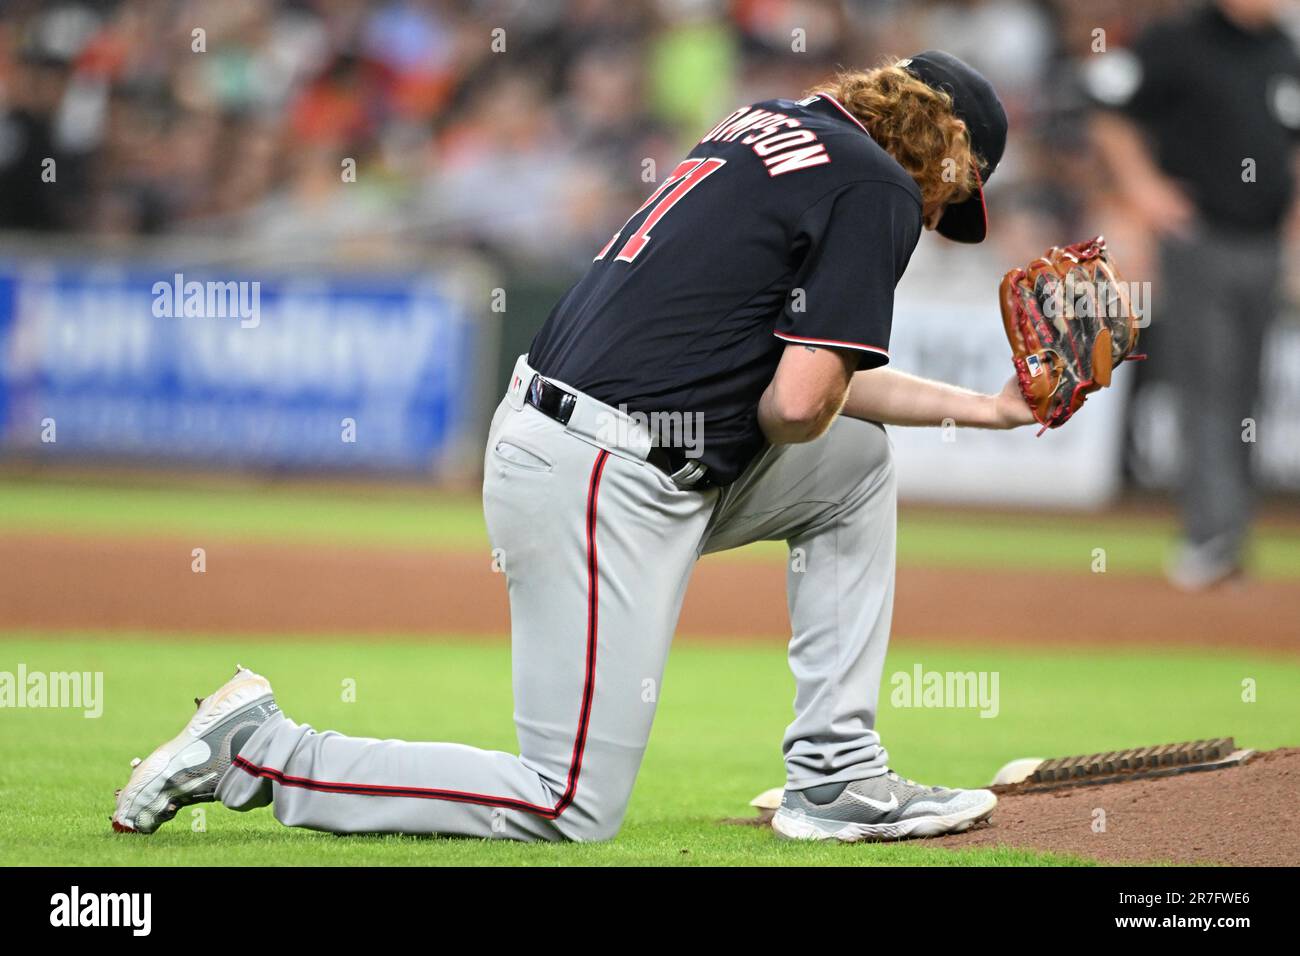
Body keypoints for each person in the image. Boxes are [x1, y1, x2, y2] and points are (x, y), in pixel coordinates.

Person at [113, 51, 1035, 844]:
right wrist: (824, 383)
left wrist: (989, 411)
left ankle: (835, 776)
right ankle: (265, 752)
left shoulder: (771, 128)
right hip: (604, 472)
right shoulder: (875, 184)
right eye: (951, 191)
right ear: (947, 151)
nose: (936, 210)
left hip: (581, 439)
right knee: (567, 803)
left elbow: (801, 386)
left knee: (852, 471)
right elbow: (798, 405)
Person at [1088, 0, 1300, 590]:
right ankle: (1210, 536)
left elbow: (1293, 147)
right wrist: (1143, 188)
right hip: (1200, 238)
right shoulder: (1176, 42)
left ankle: (1230, 535)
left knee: (1248, 393)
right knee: (1208, 385)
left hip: (1264, 246)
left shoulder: (1284, 50)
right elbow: (1106, 106)